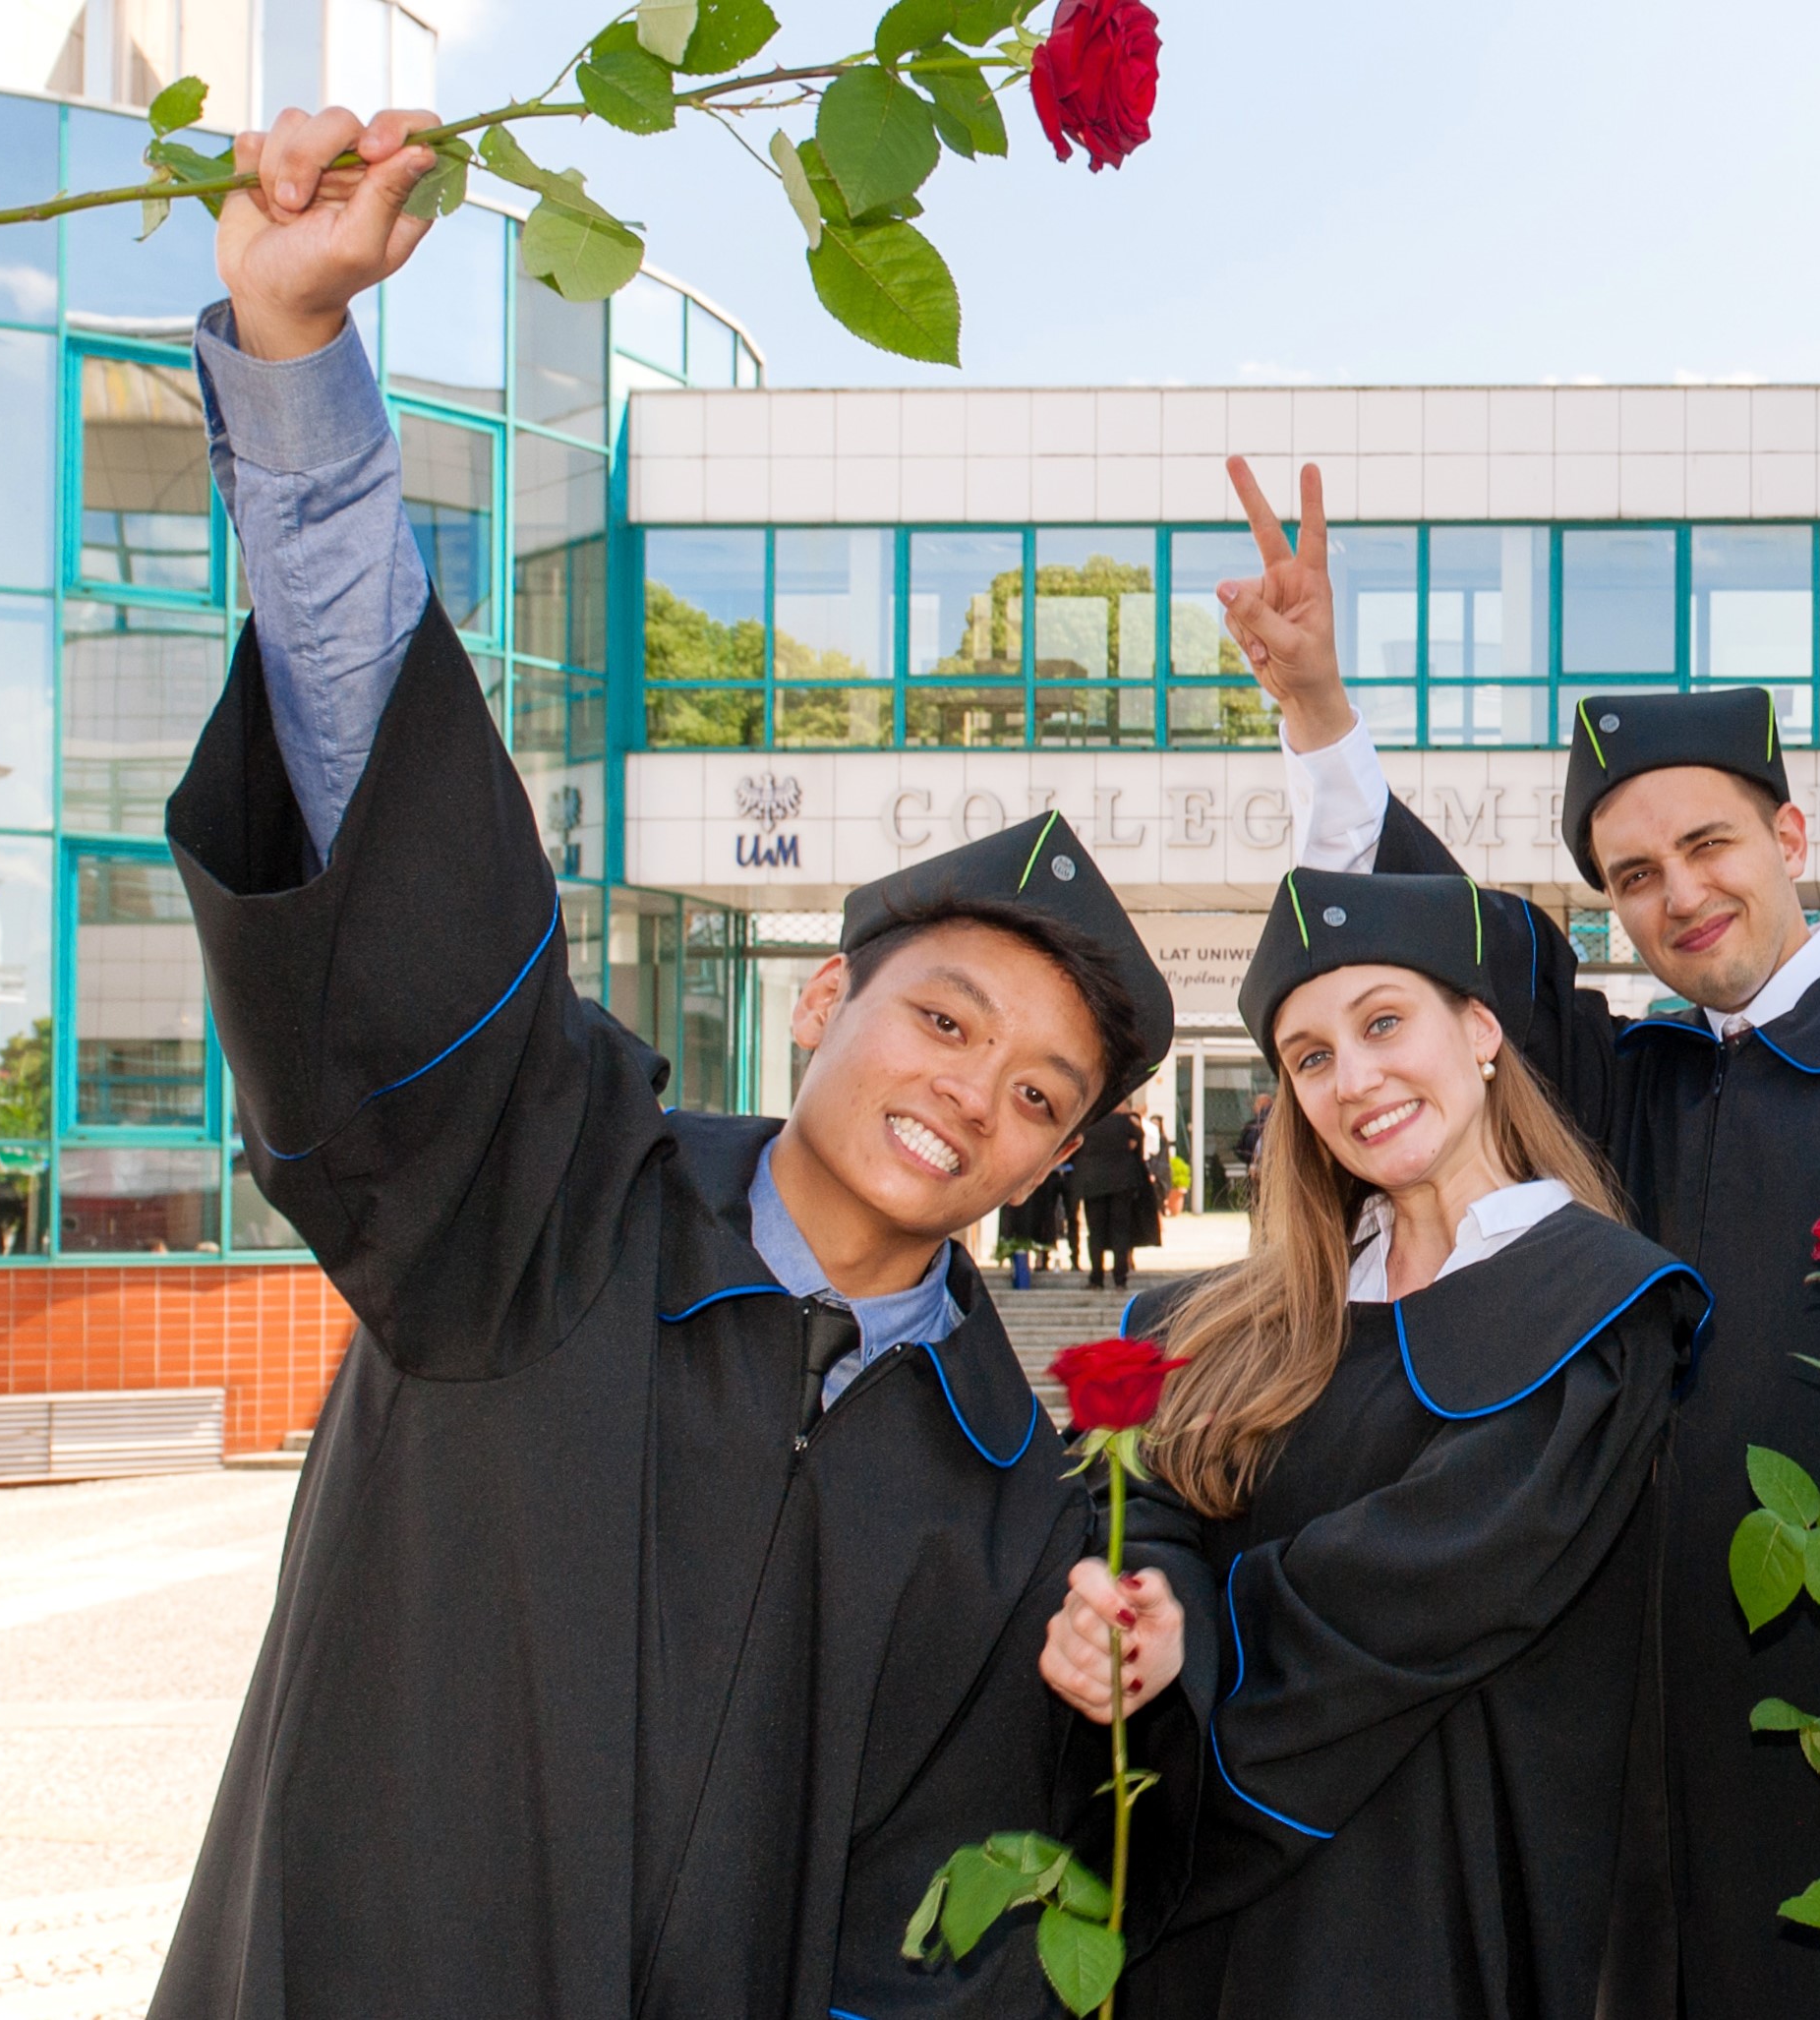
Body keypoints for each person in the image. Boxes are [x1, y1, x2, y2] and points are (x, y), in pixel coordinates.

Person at [150, 106, 1188, 2020]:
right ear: (822, 1001)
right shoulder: (538, 1202)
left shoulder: (1001, 1496)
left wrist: (1123, 1687)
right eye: (946, 1017)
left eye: (1038, 1094)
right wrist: (298, 368)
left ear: (1050, 1164)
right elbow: (415, 865)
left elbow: (943, 1925)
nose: (973, 1090)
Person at [1214, 463, 1820, 2018]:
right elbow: (1430, 964)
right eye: (1634, 877)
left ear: (1791, 827)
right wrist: (1319, 706)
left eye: (1709, 844)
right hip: (1645, 1713)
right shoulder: (1629, 1085)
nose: (1682, 894)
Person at [1073, 868, 1703, 2018]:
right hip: (1206, 1932)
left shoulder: (1598, 1307)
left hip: (1431, 1894)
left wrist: (1204, 1629)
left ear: (1478, 1028)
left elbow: (1427, 1581)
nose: (1353, 1078)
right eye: (1309, 1055)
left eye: (1380, 1022)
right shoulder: (1228, 1321)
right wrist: (1148, 1608)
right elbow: (1146, 1511)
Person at [1072, 1096, 1164, 1287]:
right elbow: (1139, 1141)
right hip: (1122, 1183)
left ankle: (1096, 1277)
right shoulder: (1125, 1123)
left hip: (1093, 1184)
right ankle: (1120, 1277)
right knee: (1120, 1230)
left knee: (1095, 1231)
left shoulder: (1088, 1123)